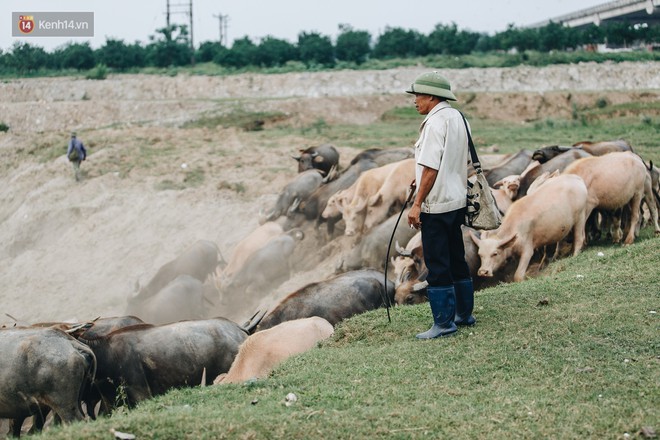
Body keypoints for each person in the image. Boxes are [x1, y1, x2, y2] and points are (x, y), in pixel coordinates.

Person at [405, 71, 475, 339]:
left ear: (432, 96)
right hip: (456, 199)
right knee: (457, 255)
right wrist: (420, 176)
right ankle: (464, 314)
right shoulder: (458, 117)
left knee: (437, 262)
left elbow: (432, 166)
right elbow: (451, 159)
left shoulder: (434, 123)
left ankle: (444, 323)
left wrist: (417, 203)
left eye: (418, 95)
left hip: (436, 204)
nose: (415, 101)